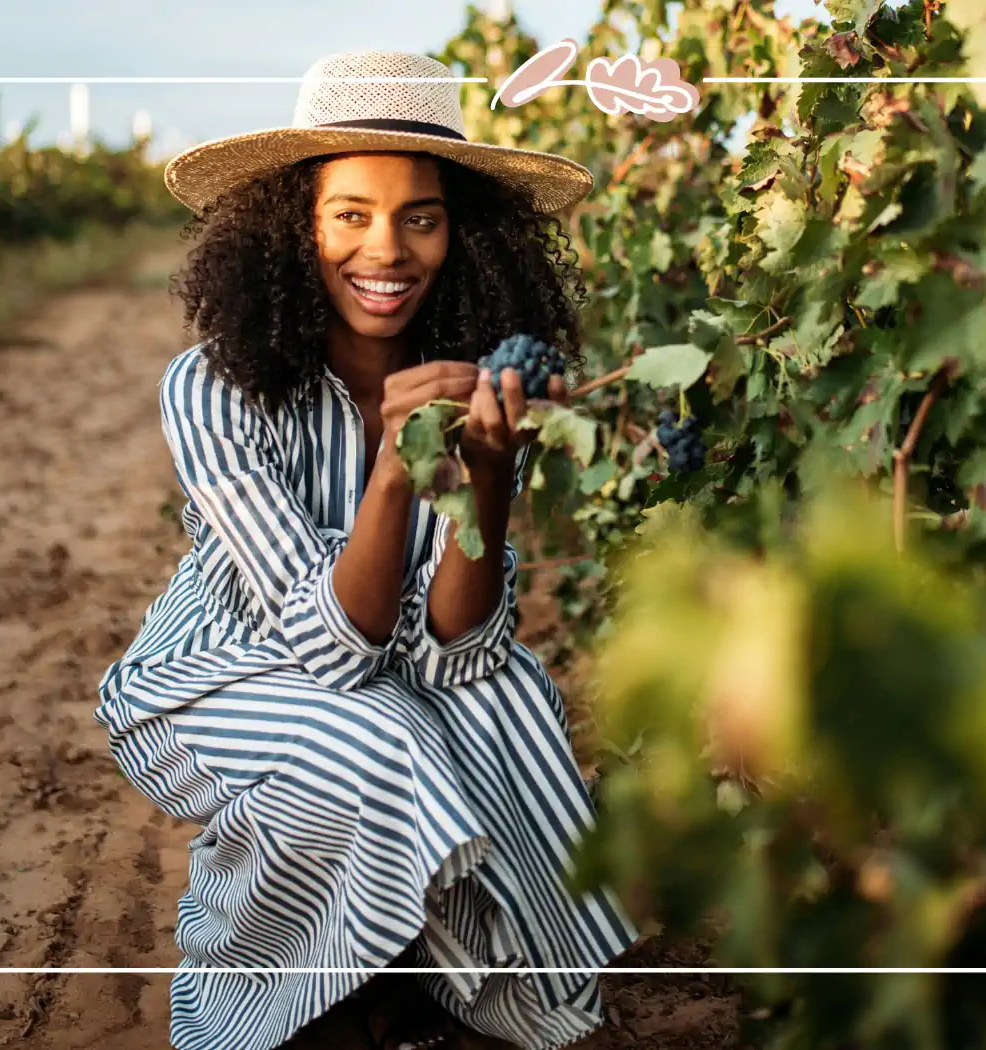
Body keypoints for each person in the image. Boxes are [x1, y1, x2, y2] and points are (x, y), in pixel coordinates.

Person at [93, 49, 638, 1050]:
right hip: (210, 682)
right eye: (349, 212)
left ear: (461, 234)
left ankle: (429, 972)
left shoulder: (472, 377)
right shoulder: (212, 387)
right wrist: (395, 464)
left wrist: (485, 470)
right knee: (377, 733)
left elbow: (454, 648)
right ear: (295, 227)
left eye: (419, 217)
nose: (385, 249)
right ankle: (261, 996)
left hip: (382, 666)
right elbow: (337, 654)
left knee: (505, 699)